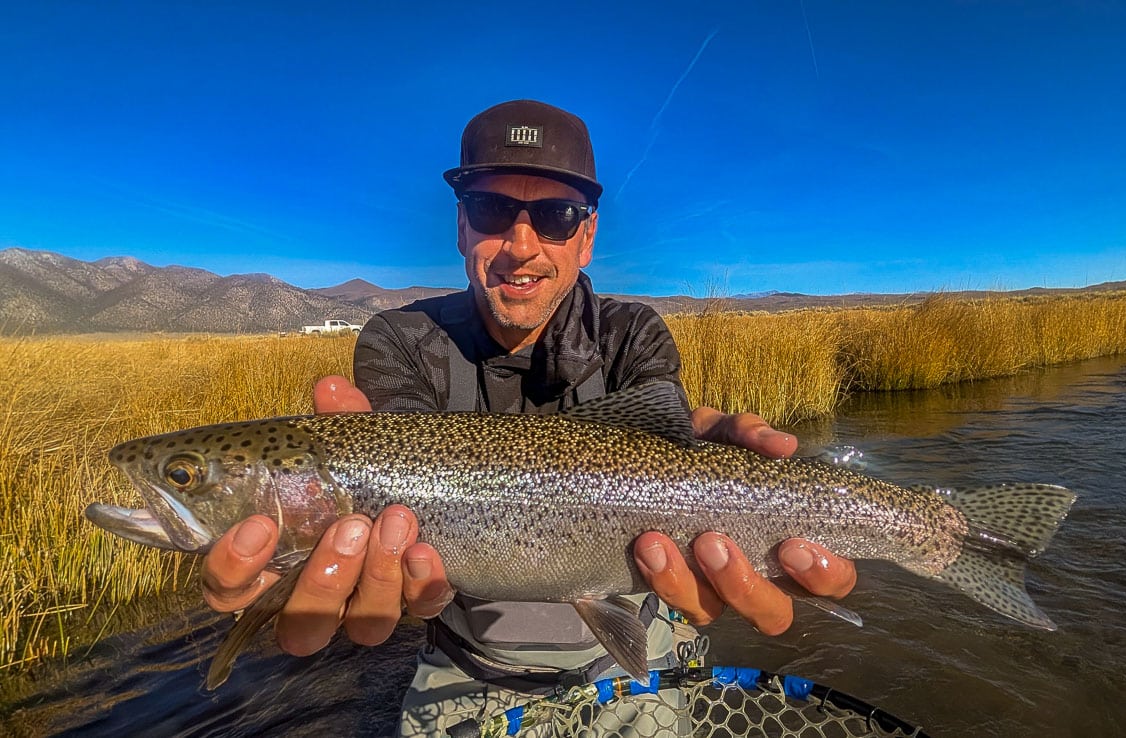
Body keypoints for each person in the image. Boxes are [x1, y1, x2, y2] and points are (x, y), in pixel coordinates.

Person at [200, 100, 857, 734]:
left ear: (587, 235)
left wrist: (719, 456)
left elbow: (662, 436)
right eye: (490, 209)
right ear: (460, 225)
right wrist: (295, 571)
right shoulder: (399, 339)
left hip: (634, 657)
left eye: (555, 216)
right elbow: (395, 499)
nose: (520, 244)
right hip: (464, 670)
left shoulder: (632, 333)